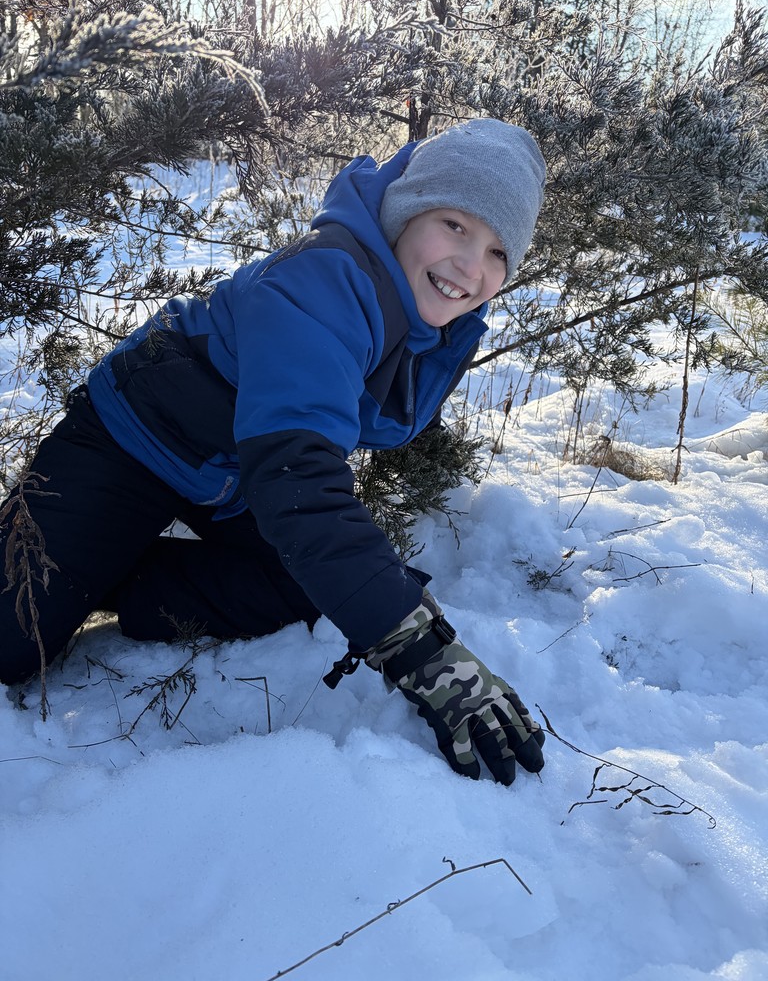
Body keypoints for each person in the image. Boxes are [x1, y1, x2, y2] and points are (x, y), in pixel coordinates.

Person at [0, 118, 547, 786]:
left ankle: (111, 572)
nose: (471, 266)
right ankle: (76, 557)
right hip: (131, 440)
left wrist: (384, 596)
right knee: (11, 637)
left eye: (497, 251)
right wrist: (421, 652)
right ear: (408, 211)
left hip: (230, 473)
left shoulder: (417, 312)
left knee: (307, 587)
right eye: (455, 225)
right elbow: (300, 481)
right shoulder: (323, 284)